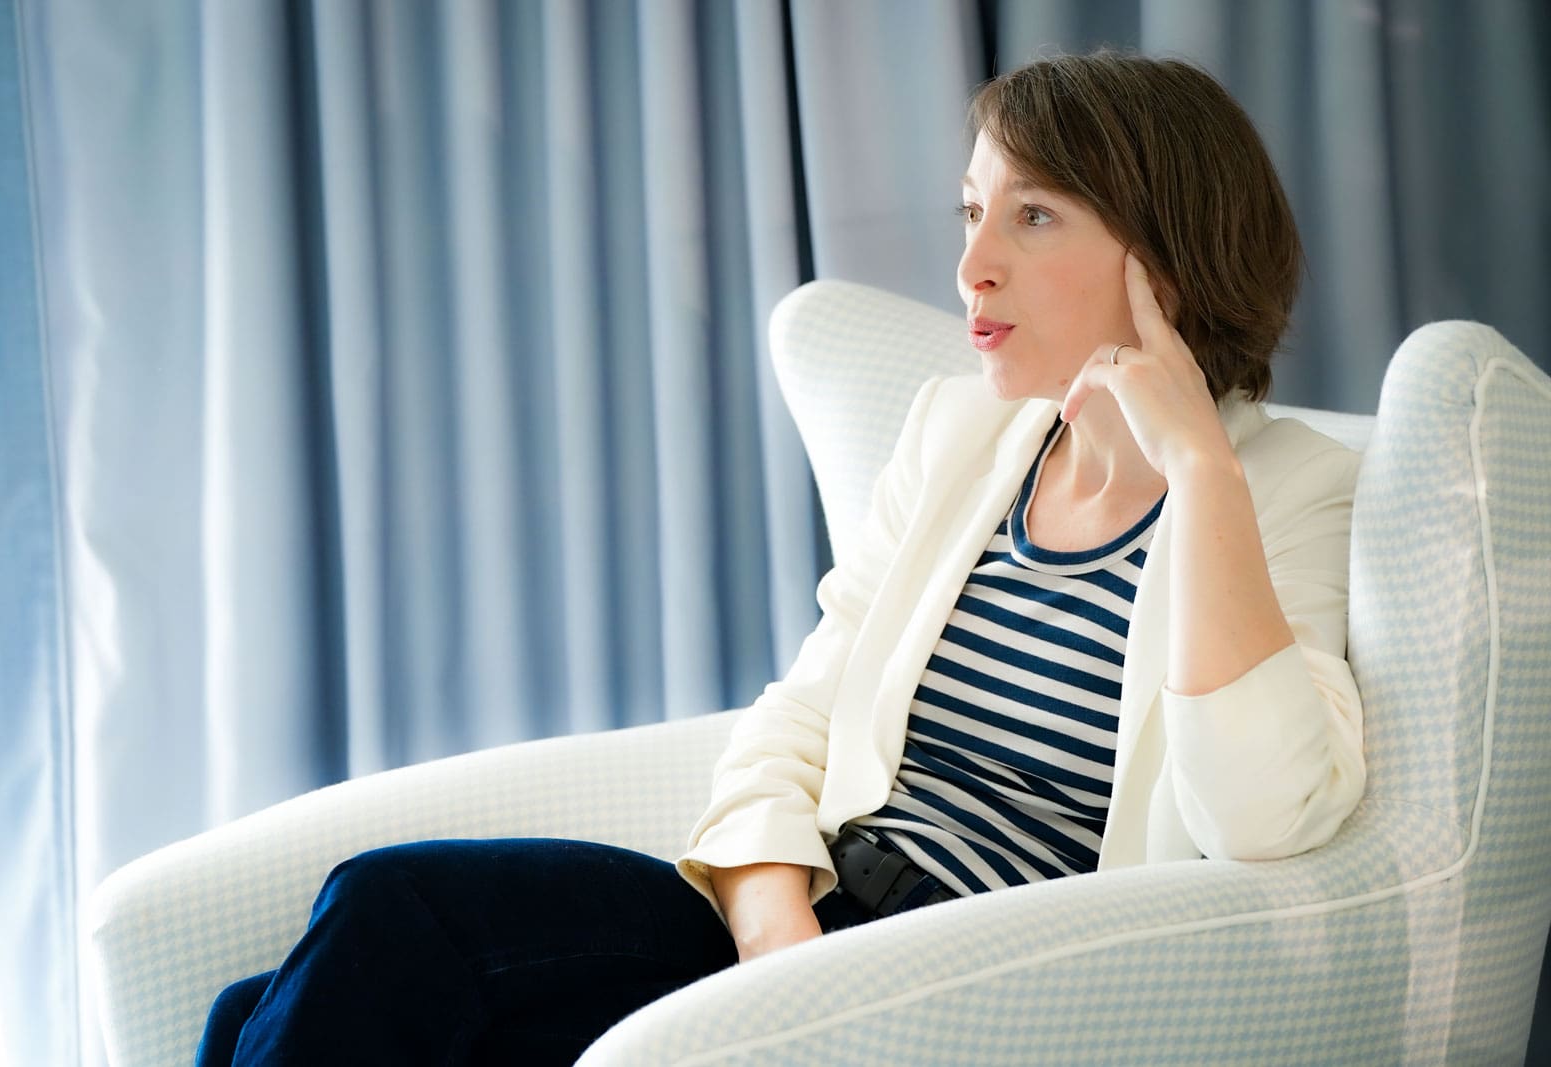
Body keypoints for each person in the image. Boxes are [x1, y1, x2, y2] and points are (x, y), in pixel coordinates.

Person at [196, 50, 1365, 1065]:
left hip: (981, 983)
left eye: (1034, 215)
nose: (972, 266)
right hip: (811, 926)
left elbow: (1263, 815)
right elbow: (800, 717)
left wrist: (1200, 471)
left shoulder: (1291, 488)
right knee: (263, 1007)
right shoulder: (961, 433)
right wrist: (776, 949)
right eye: (971, 213)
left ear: (1164, 257)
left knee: (393, 914)